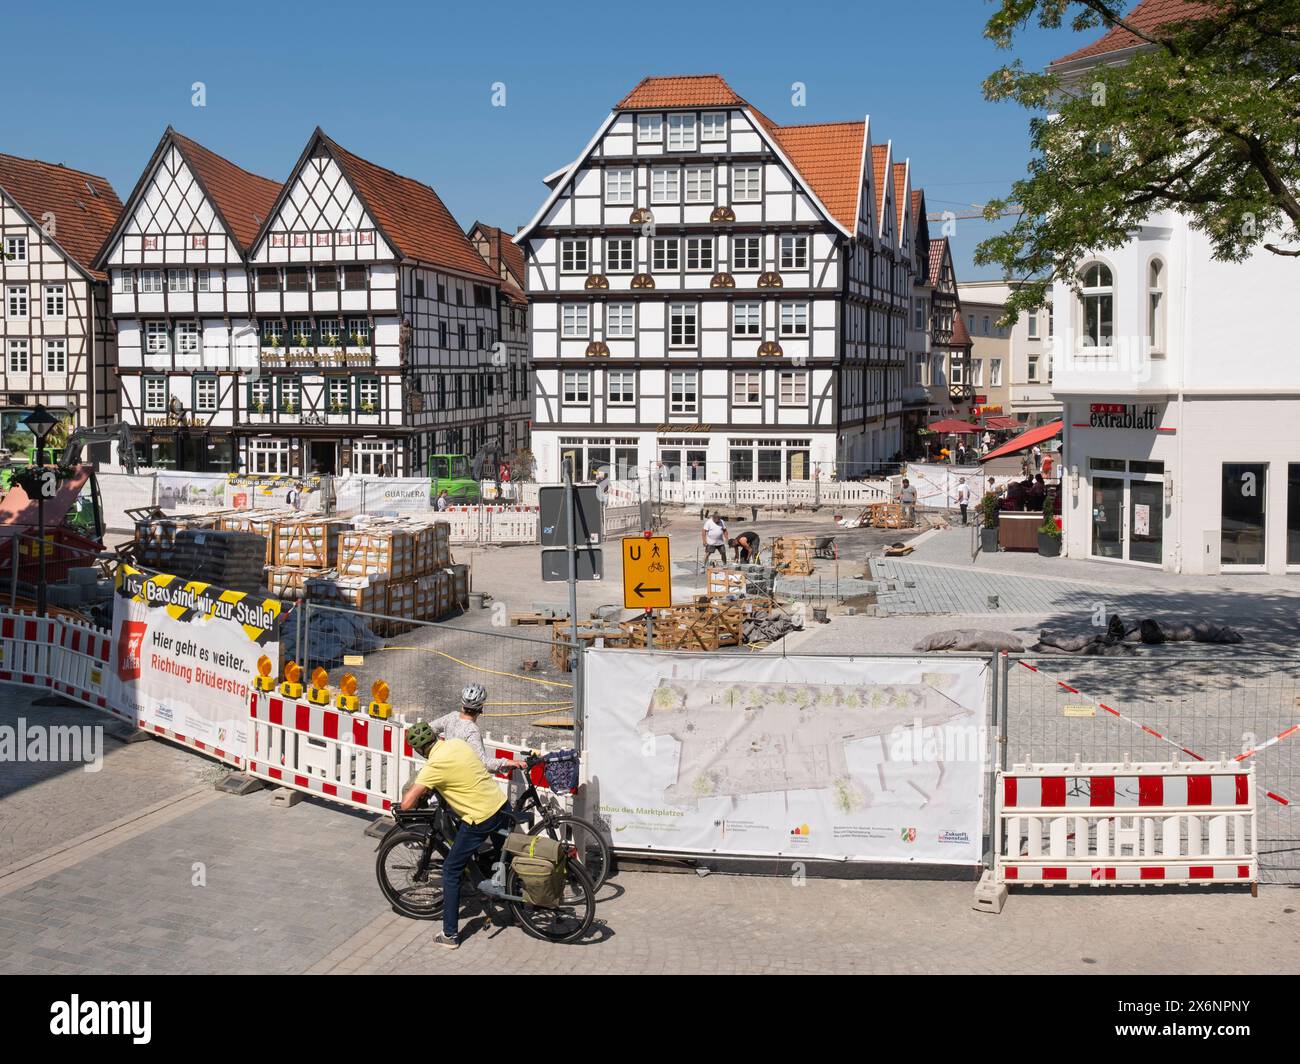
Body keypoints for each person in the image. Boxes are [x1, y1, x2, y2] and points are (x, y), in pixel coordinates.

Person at [399, 721, 513, 951]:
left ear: (420, 750)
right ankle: (510, 894)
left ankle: (450, 934)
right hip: (501, 805)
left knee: (451, 870)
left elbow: (407, 803)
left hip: (480, 817)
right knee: (505, 857)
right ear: (435, 736)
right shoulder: (458, 744)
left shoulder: (433, 767)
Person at [429, 684, 525, 775]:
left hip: (444, 770)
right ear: (481, 708)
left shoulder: (451, 717)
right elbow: (483, 763)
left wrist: (439, 744)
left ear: (462, 704)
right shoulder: (472, 730)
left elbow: (429, 728)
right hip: (460, 777)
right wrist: (508, 762)